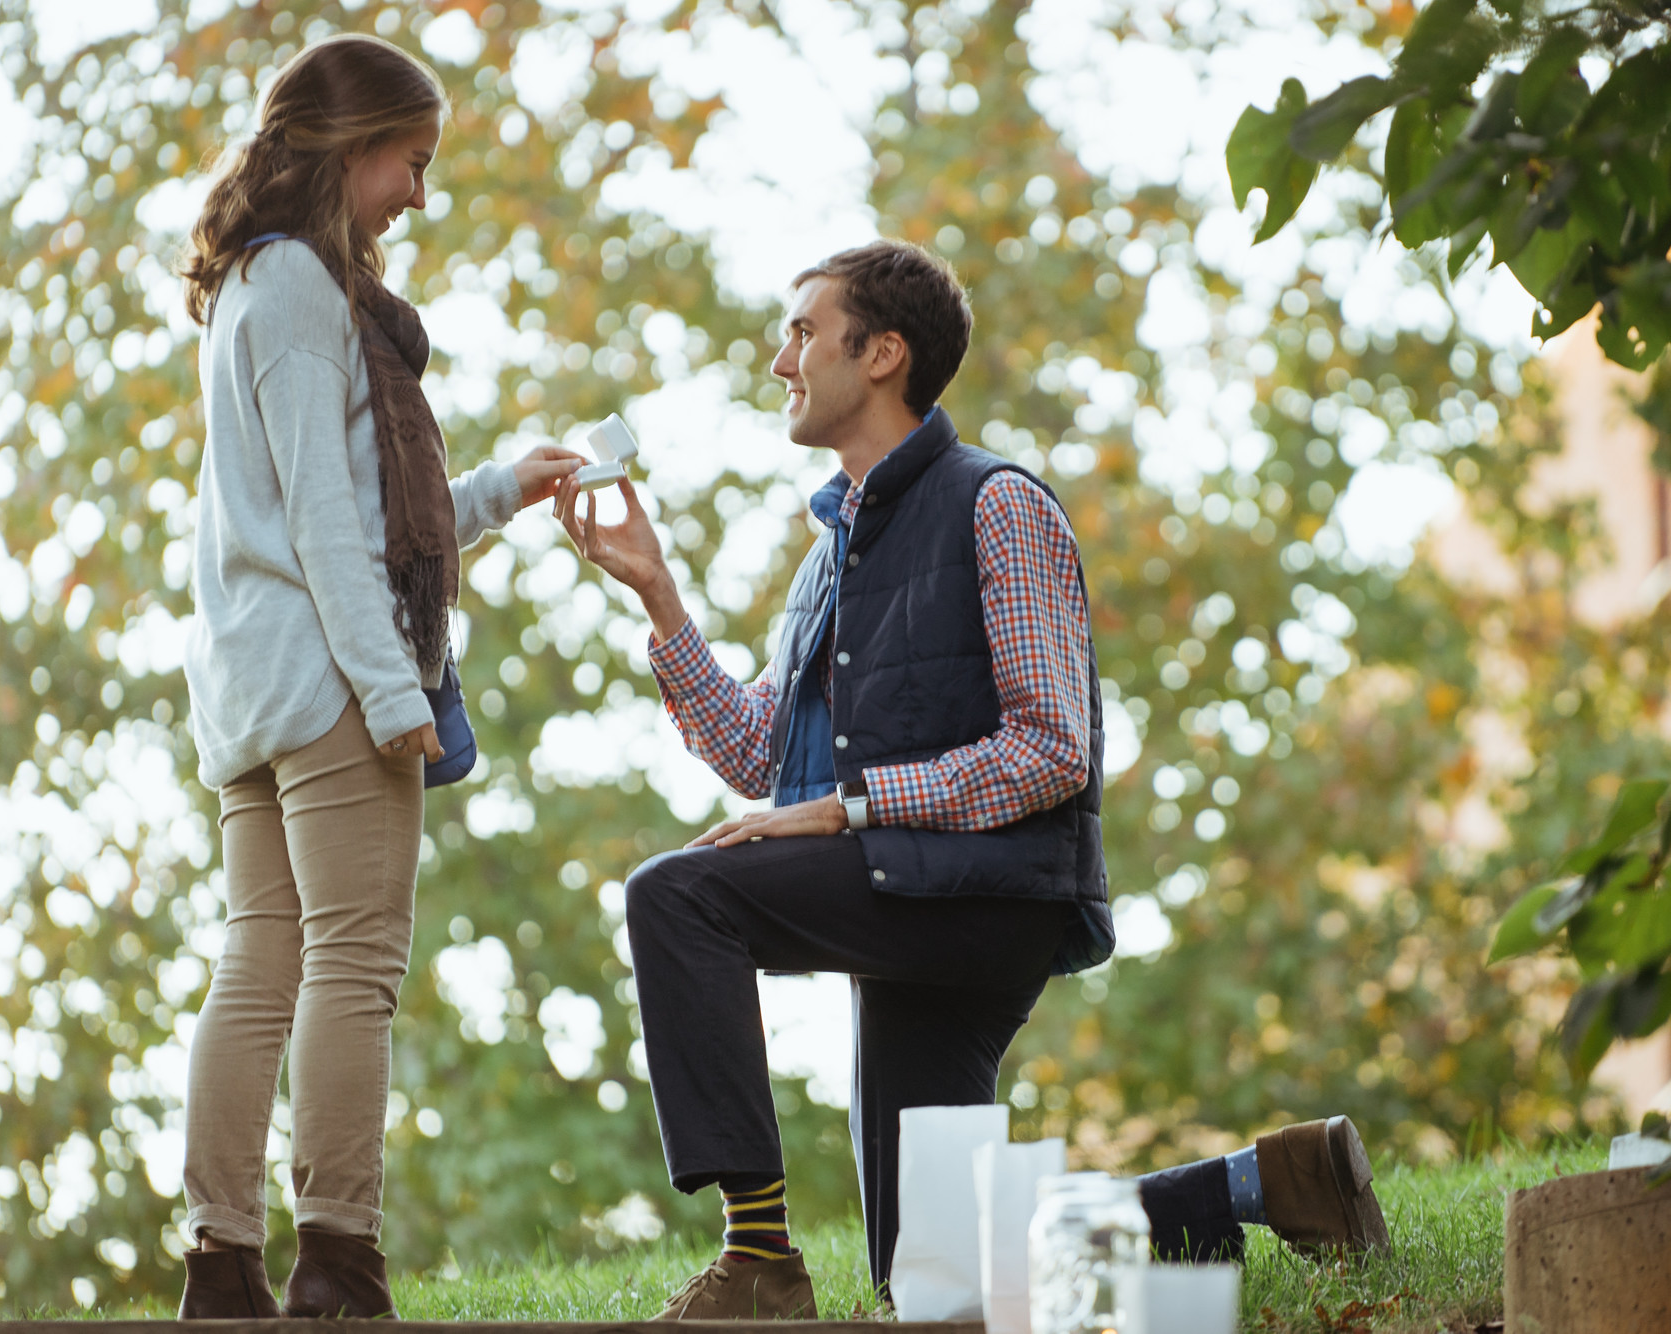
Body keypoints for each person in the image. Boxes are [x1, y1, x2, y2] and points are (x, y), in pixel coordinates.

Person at [554, 239, 1390, 1319]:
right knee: (931, 1273)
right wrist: (661, 597)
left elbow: (1051, 749)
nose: (778, 360)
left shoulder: (996, 505)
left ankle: (757, 1255)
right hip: (899, 896)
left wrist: (849, 809)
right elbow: (760, 757)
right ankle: (1265, 1184)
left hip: (988, 897)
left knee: (678, 892)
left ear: (883, 353)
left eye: (800, 331)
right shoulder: (827, 557)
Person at [174, 35, 581, 1320]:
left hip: (254, 683)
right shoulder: (298, 288)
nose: (420, 192)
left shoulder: (258, 286)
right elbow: (328, 535)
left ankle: (221, 1267)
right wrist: (395, 697)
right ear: (352, 150)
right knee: (353, 966)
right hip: (326, 682)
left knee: (261, 962)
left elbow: (355, 506)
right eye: (412, 163)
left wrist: (506, 488)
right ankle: (337, 1262)